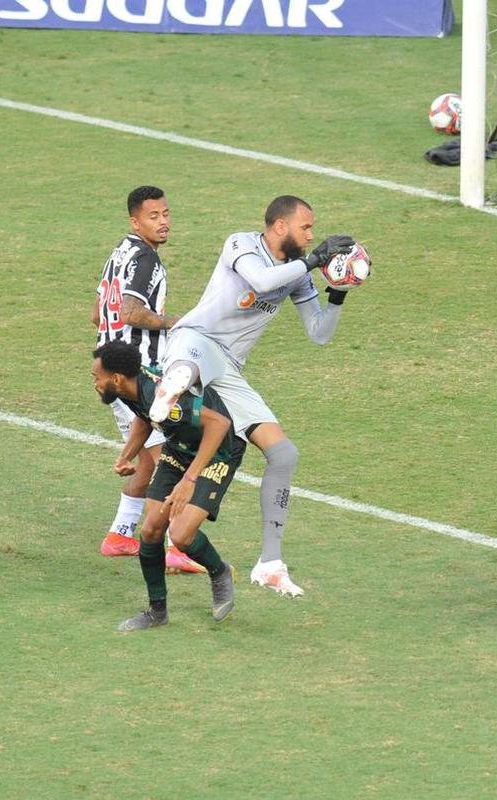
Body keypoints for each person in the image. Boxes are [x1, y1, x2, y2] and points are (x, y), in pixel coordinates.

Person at [148, 196, 356, 597]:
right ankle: (170, 389)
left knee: (284, 454)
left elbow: (319, 333)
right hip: (195, 339)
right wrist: (314, 260)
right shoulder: (241, 244)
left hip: (229, 367)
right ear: (280, 226)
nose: (311, 235)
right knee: (187, 368)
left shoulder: (296, 274)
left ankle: (270, 562)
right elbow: (261, 282)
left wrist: (338, 290)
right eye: (306, 227)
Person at [91, 186, 202, 575]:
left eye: (166, 214)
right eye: (154, 216)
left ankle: (121, 534)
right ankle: (175, 545)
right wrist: (173, 323)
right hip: (134, 375)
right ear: (135, 221)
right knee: (171, 458)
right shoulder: (146, 260)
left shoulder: (118, 254)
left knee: (150, 459)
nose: (164, 222)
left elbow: (97, 313)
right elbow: (132, 311)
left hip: (112, 368)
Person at [91, 341, 239, 631]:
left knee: (181, 535)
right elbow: (144, 417)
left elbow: (219, 424)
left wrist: (189, 479)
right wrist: (126, 455)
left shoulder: (167, 399)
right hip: (178, 449)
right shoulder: (132, 389)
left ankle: (219, 573)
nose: (96, 384)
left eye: (97, 378)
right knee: (150, 530)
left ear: (116, 379)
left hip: (217, 452)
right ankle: (157, 611)